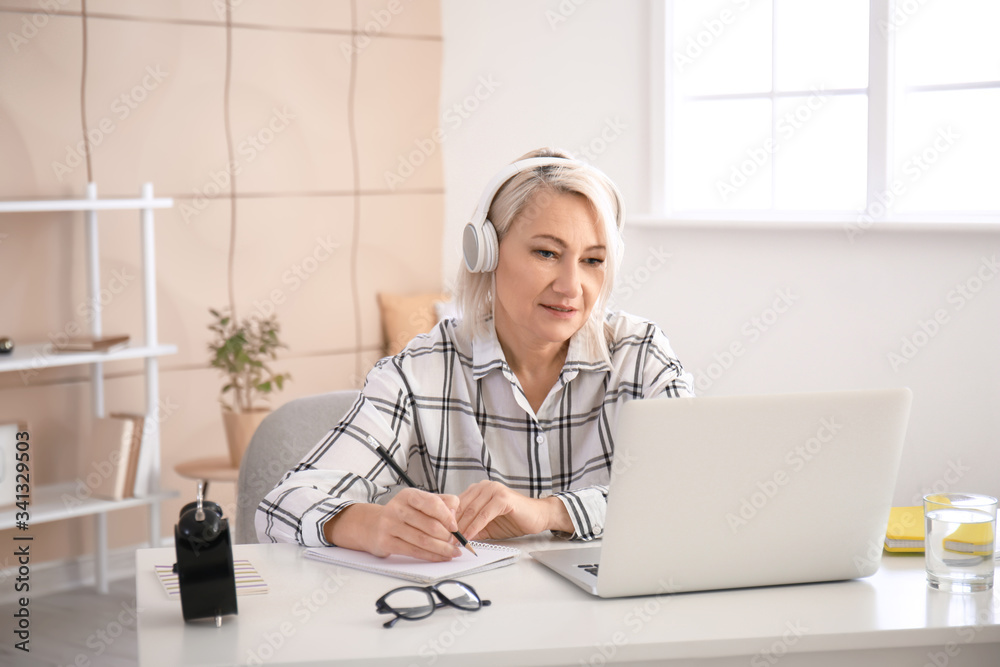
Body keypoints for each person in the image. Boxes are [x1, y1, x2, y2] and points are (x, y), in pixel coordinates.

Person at [256, 147, 693, 560]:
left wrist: (548, 512)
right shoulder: (419, 373)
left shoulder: (641, 357)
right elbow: (282, 508)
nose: (571, 286)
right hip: (465, 623)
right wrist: (374, 525)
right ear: (485, 251)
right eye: (547, 253)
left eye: (592, 261)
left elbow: (690, 495)